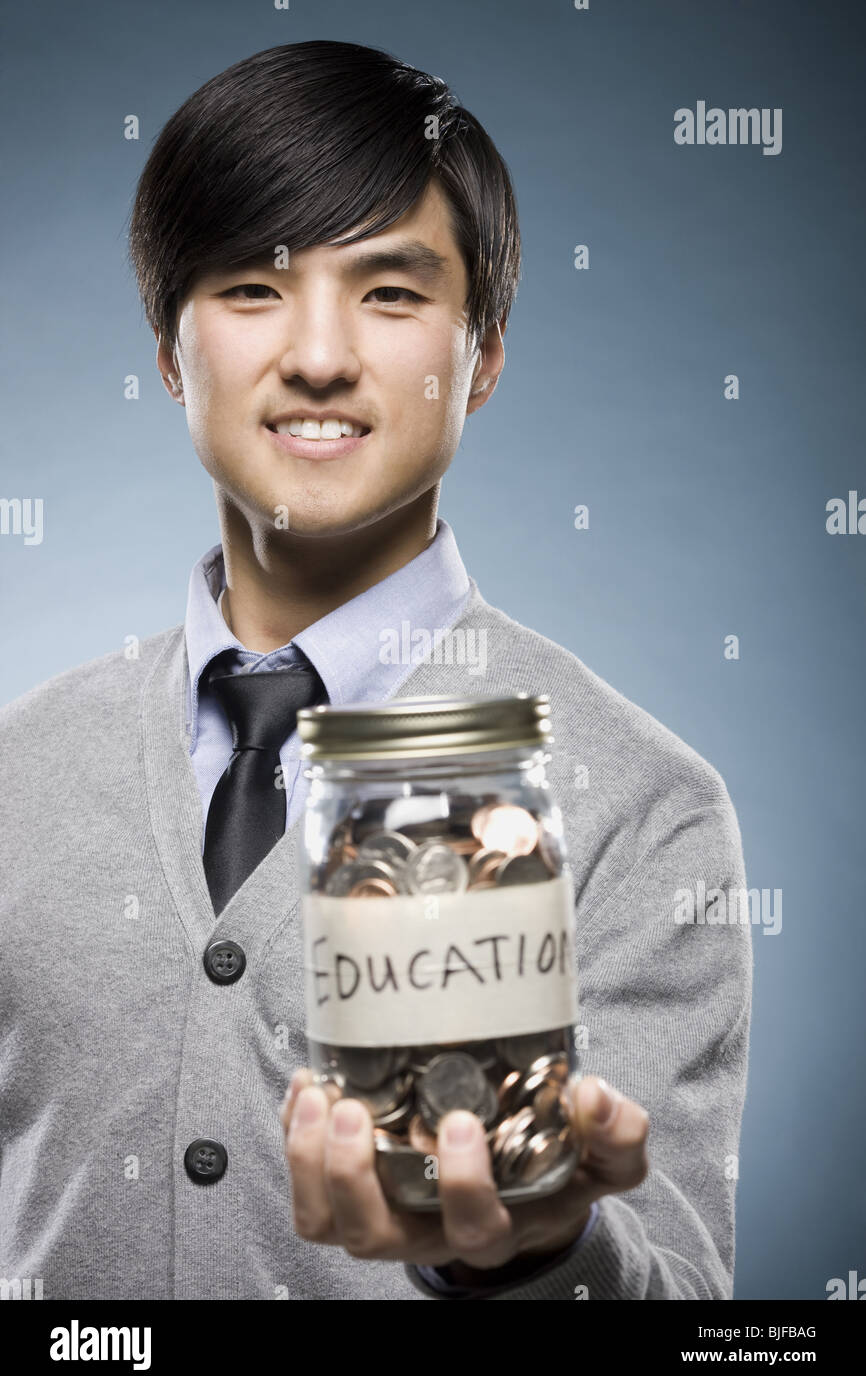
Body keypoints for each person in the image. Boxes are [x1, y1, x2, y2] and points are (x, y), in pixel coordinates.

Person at [0, 40, 751, 1301]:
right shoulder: (16, 771)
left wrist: (550, 1251)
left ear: (484, 352)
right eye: (251, 287)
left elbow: (691, 1318)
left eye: (391, 294)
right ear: (171, 349)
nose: (318, 356)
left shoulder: (639, 805)